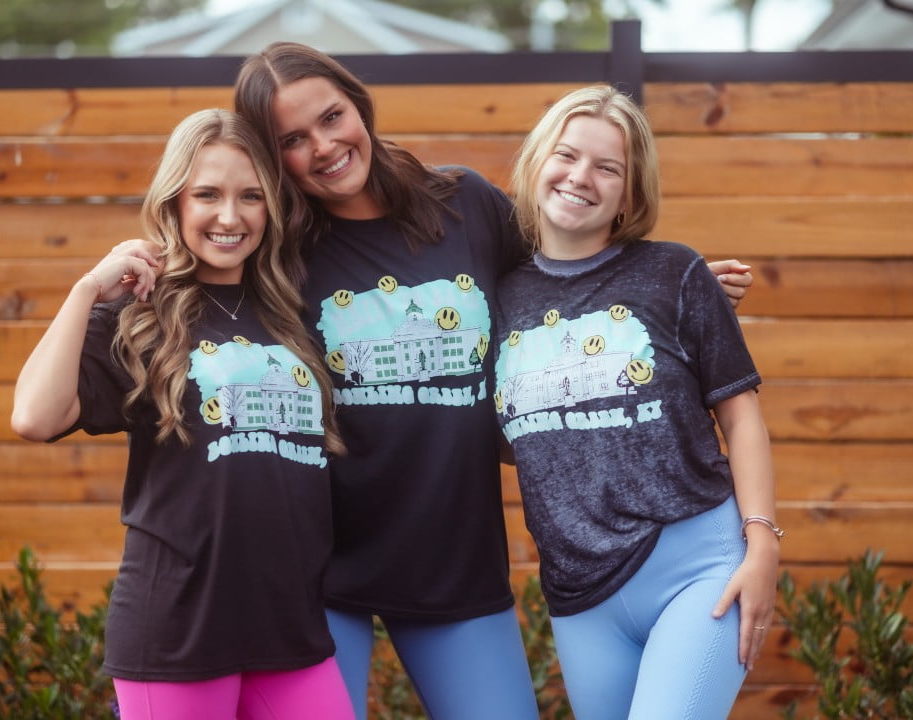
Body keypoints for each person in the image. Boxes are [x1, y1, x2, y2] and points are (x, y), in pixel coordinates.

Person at [227, 43, 757, 720]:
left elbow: (563, 277)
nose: (325, 145)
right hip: (318, 568)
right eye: (293, 140)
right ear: (273, 157)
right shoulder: (275, 249)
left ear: (358, 103)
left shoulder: (466, 205)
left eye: (332, 116)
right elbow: (199, 287)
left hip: (454, 561)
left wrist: (674, 296)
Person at [11, 108, 355, 720]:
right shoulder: (141, 315)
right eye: (207, 195)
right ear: (173, 204)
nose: (230, 216)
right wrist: (87, 289)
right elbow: (35, 417)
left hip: (290, 628)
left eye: (250, 196)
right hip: (175, 632)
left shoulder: (294, 311)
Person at [494, 84, 780, 719]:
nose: (580, 177)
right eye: (566, 156)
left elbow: (741, 415)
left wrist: (763, 544)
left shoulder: (676, 274)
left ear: (631, 193)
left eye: (608, 167)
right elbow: (528, 441)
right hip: (580, 595)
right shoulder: (496, 301)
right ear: (538, 162)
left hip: (698, 567)